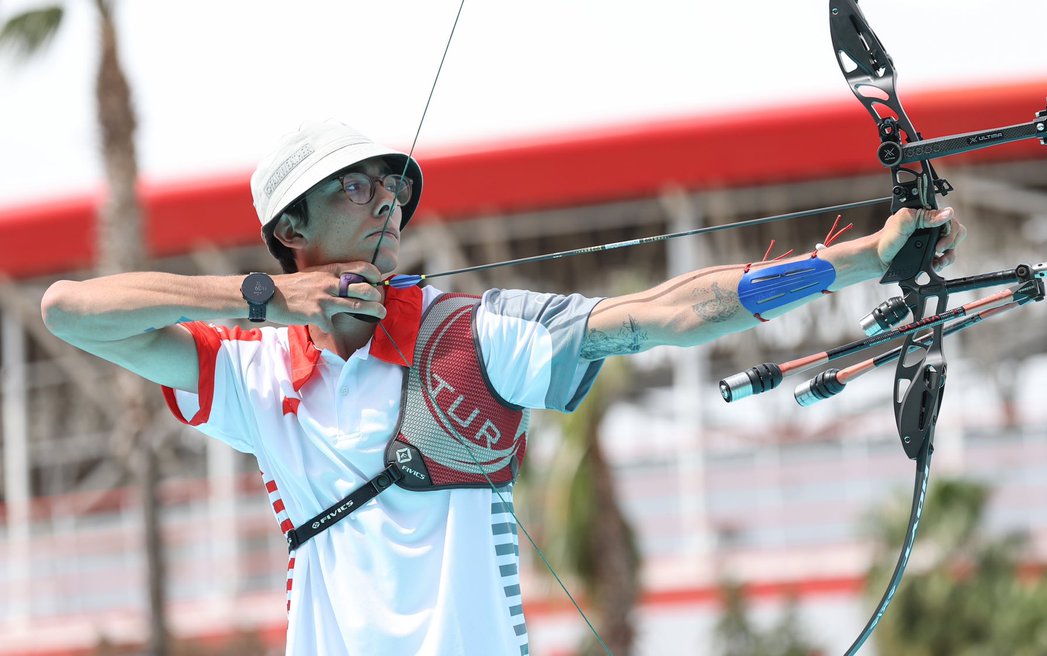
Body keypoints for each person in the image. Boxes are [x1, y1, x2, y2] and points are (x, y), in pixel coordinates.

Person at [41, 119, 965, 656]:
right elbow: (69, 311)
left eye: (391, 191)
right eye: (358, 188)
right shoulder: (252, 372)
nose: (388, 205)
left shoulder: (472, 335)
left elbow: (666, 313)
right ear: (292, 225)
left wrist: (863, 261)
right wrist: (261, 298)